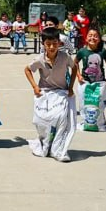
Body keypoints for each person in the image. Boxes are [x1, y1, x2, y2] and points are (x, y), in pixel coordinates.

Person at [25, 27, 76, 162]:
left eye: (54, 43)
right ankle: (45, 143)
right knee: (40, 119)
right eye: (48, 44)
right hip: (45, 92)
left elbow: (75, 67)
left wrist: (70, 87)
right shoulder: (40, 59)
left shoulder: (65, 57)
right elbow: (27, 69)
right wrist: (35, 87)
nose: (52, 47)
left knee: (61, 118)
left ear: (59, 43)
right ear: (43, 45)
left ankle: (58, 149)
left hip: (61, 92)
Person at [74, 25, 106, 132]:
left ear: (99, 39)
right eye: (90, 35)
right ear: (86, 38)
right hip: (85, 82)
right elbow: (75, 63)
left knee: (99, 103)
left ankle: (100, 124)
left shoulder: (103, 51)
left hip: (100, 83)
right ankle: (86, 121)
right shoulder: (82, 51)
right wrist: (78, 75)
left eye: (95, 36)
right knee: (84, 103)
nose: (92, 38)